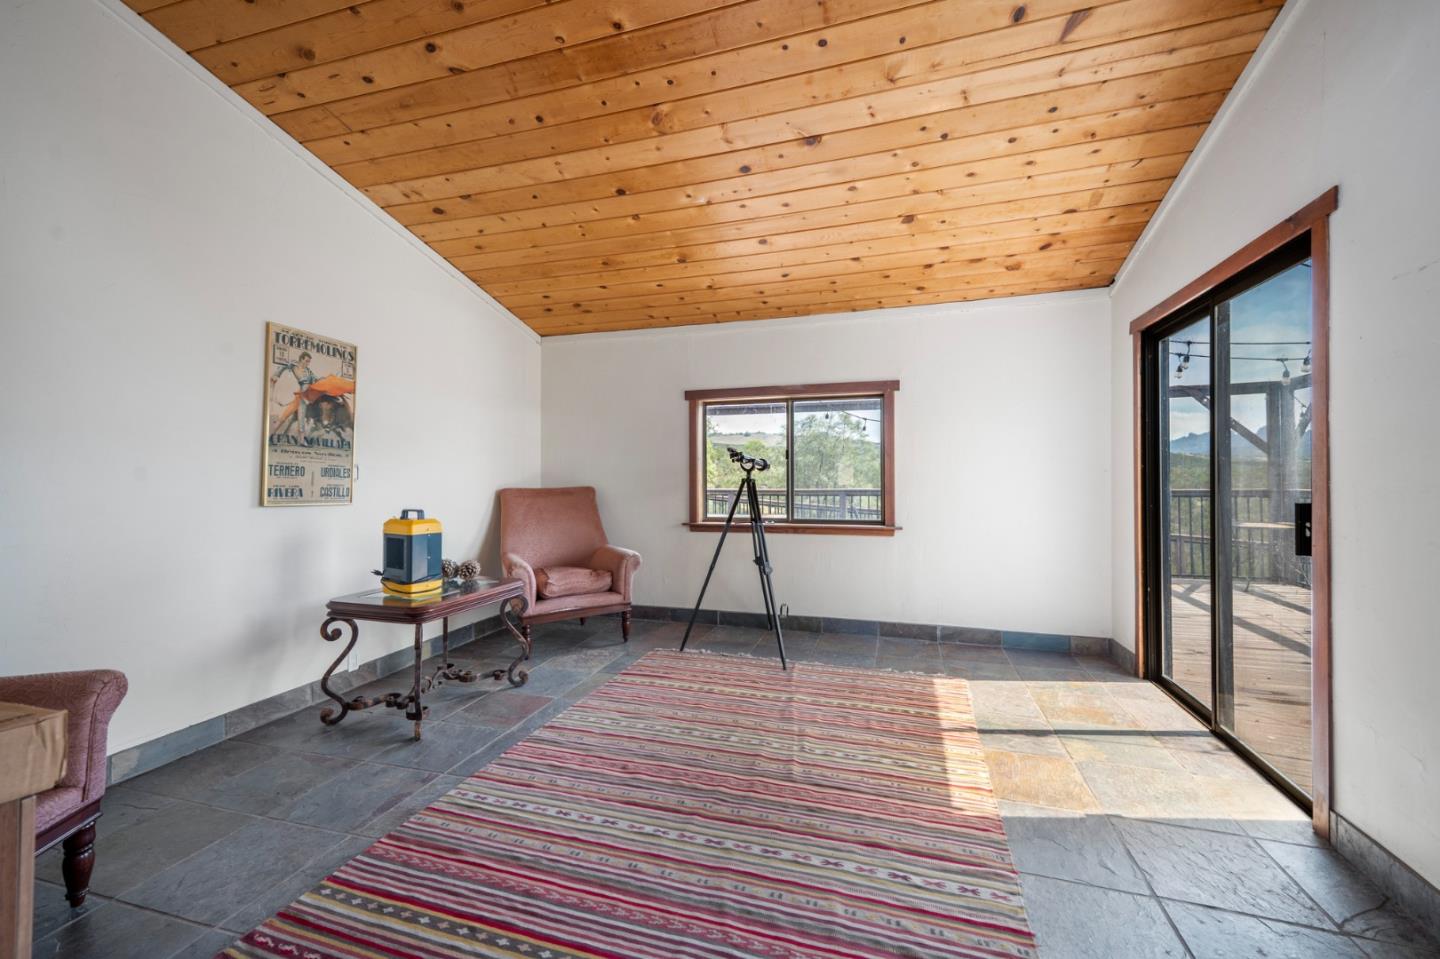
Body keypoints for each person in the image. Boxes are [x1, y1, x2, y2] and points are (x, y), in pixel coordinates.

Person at [269, 351, 318, 439]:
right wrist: (277, 375)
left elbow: (316, 379)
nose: (308, 363)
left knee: (301, 417)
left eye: (309, 362)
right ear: (301, 359)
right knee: (284, 416)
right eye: (306, 361)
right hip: (300, 395)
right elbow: (283, 366)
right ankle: (269, 436)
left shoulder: (309, 371)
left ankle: (302, 440)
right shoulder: (294, 365)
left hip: (305, 396)